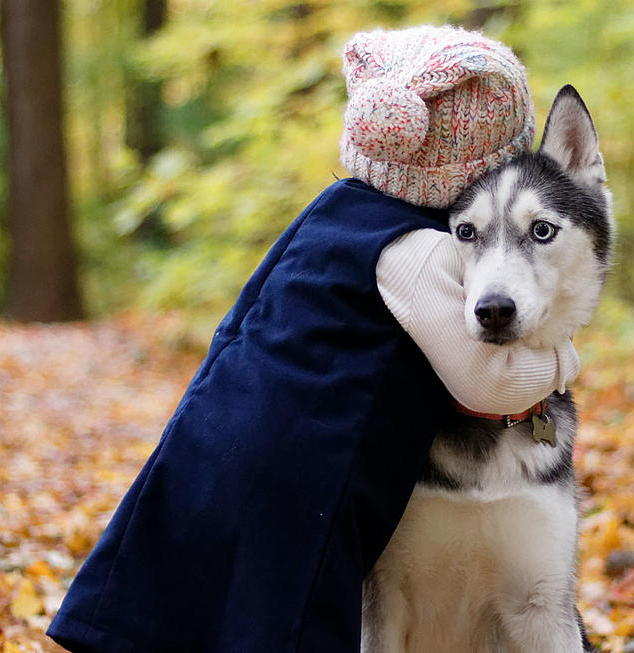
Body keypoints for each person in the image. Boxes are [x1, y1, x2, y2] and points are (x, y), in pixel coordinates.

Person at [47, 25, 580, 653]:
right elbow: (486, 381)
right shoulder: (415, 250)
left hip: (219, 436)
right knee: (288, 619)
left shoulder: (329, 212)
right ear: (483, 164)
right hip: (307, 471)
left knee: (199, 605)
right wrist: (563, 357)